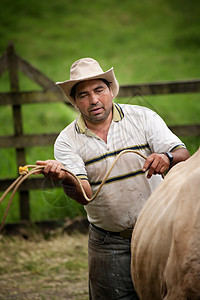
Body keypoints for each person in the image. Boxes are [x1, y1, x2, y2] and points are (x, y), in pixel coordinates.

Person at [36, 58, 190, 299]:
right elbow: (85, 195)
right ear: (75, 102)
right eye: (84, 95)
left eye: (99, 90)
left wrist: (167, 158)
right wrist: (65, 176)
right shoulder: (67, 141)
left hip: (157, 234)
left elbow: (183, 155)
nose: (94, 100)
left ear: (110, 90)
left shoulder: (143, 117)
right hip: (109, 242)